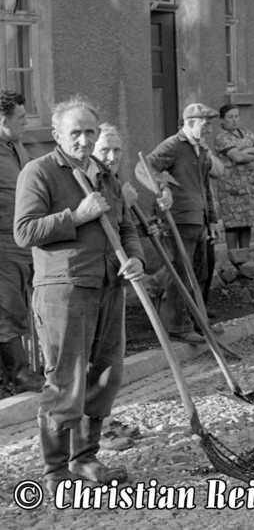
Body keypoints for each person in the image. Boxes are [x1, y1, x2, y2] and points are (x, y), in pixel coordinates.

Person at [14, 97, 144, 496]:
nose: (85, 139)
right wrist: (77, 216)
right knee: (65, 379)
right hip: (64, 289)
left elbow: (125, 227)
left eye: (90, 131)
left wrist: (136, 257)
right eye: (76, 132)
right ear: (57, 135)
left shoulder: (104, 173)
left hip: (110, 284)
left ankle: (85, 458)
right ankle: (55, 472)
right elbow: (25, 231)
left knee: (106, 375)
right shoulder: (40, 172)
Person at [138, 103, 223, 344]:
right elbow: (143, 168)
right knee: (182, 273)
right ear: (191, 122)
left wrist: (213, 218)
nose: (208, 130)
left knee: (200, 272)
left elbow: (205, 185)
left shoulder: (200, 149)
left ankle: (197, 321)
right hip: (178, 219)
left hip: (199, 220)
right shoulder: (172, 146)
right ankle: (178, 326)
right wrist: (162, 188)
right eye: (205, 125)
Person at [0, 91, 44, 395]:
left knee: (20, 304)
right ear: (4, 120)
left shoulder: (13, 146)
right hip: (2, 242)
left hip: (21, 238)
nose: (25, 123)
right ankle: (18, 376)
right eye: (21, 118)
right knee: (8, 309)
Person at [214, 104, 254, 251]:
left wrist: (246, 150)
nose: (234, 120)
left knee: (247, 221)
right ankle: (233, 257)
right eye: (230, 117)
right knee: (233, 223)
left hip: (249, 185)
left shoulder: (245, 132)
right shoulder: (221, 137)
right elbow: (237, 157)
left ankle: (245, 256)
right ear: (222, 119)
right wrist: (250, 153)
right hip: (231, 187)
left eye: (236, 116)